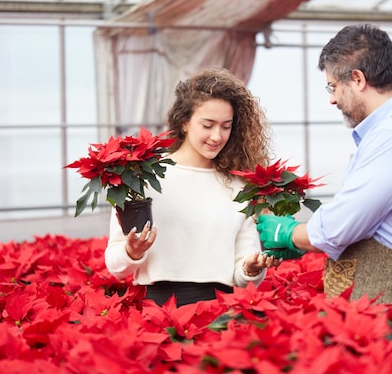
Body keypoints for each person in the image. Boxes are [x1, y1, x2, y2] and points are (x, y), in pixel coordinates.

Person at [256, 24, 392, 328]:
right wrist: (303, 238)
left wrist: (287, 233)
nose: (331, 99)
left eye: (333, 87)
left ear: (357, 79)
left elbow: (340, 226)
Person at [105, 67, 280, 307]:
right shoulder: (142, 177)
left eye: (226, 126)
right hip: (157, 312)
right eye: (207, 125)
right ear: (184, 122)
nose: (217, 136)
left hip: (219, 312)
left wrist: (251, 268)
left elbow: (242, 273)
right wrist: (132, 251)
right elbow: (115, 264)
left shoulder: (240, 186)